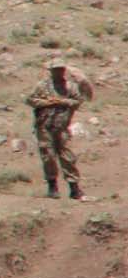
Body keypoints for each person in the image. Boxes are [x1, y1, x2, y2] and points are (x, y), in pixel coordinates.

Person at [26, 60, 92, 200]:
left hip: (62, 127)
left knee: (67, 157)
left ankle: (74, 188)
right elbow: (31, 100)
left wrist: (64, 102)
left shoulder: (70, 87)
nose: (59, 72)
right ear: (51, 71)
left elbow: (78, 101)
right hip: (44, 127)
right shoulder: (42, 86)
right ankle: (52, 187)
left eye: (61, 69)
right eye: (56, 69)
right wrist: (46, 102)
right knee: (48, 156)